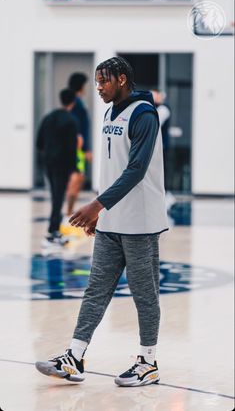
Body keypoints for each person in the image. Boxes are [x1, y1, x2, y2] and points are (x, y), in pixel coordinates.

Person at [35, 57, 168, 387]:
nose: (98, 87)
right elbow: (111, 168)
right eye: (96, 81)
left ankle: (148, 363)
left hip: (141, 221)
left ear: (122, 80)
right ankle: (75, 357)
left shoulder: (143, 115)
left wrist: (96, 206)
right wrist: (103, 212)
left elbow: (136, 169)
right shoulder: (109, 112)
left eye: (104, 81)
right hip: (113, 220)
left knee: (144, 294)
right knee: (95, 290)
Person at [36, 89, 78, 247]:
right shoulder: (70, 121)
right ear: (72, 102)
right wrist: (74, 168)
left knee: (55, 196)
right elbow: (71, 147)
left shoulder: (48, 118)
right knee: (58, 198)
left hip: (48, 163)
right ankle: (53, 232)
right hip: (62, 165)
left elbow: (39, 143)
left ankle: (54, 230)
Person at [65, 73, 92, 217]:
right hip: (78, 148)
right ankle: (68, 213)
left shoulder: (78, 102)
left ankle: (69, 211)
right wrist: (85, 148)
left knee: (78, 178)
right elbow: (77, 128)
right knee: (76, 178)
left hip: (79, 148)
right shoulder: (76, 103)